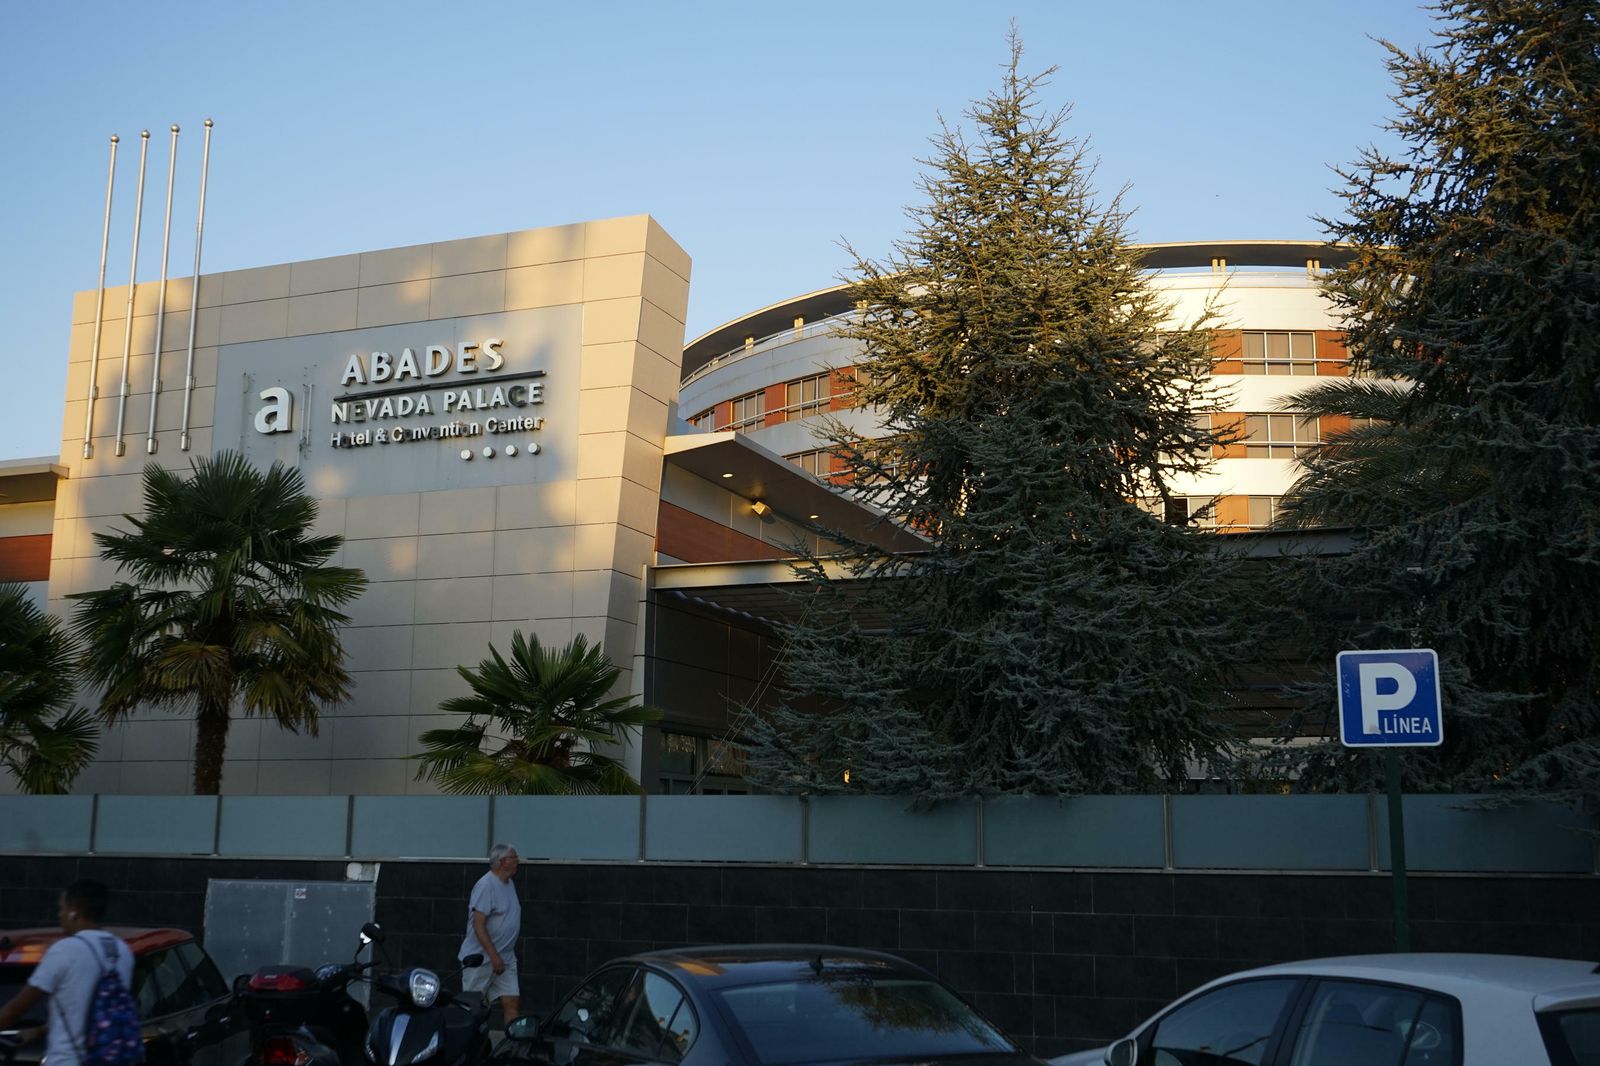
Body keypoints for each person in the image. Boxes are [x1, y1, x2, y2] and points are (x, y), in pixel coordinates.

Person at [0, 879, 136, 1066]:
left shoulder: (66, 949)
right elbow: (87, 1009)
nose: (59, 914)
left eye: (61, 908)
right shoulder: (121, 950)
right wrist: (38, 1031)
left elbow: (16, 1010)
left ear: (74, 912)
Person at [460, 843, 522, 1026]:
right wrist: (493, 955)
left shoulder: (510, 884)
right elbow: (478, 925)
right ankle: (470, 1046)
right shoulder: (486, 886)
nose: (518, 861)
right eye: (514, 857)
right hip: (482, 959)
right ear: (503, 862)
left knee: (511, 1002)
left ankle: (513, 1046)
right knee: (473, 1007)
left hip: (506, 957)